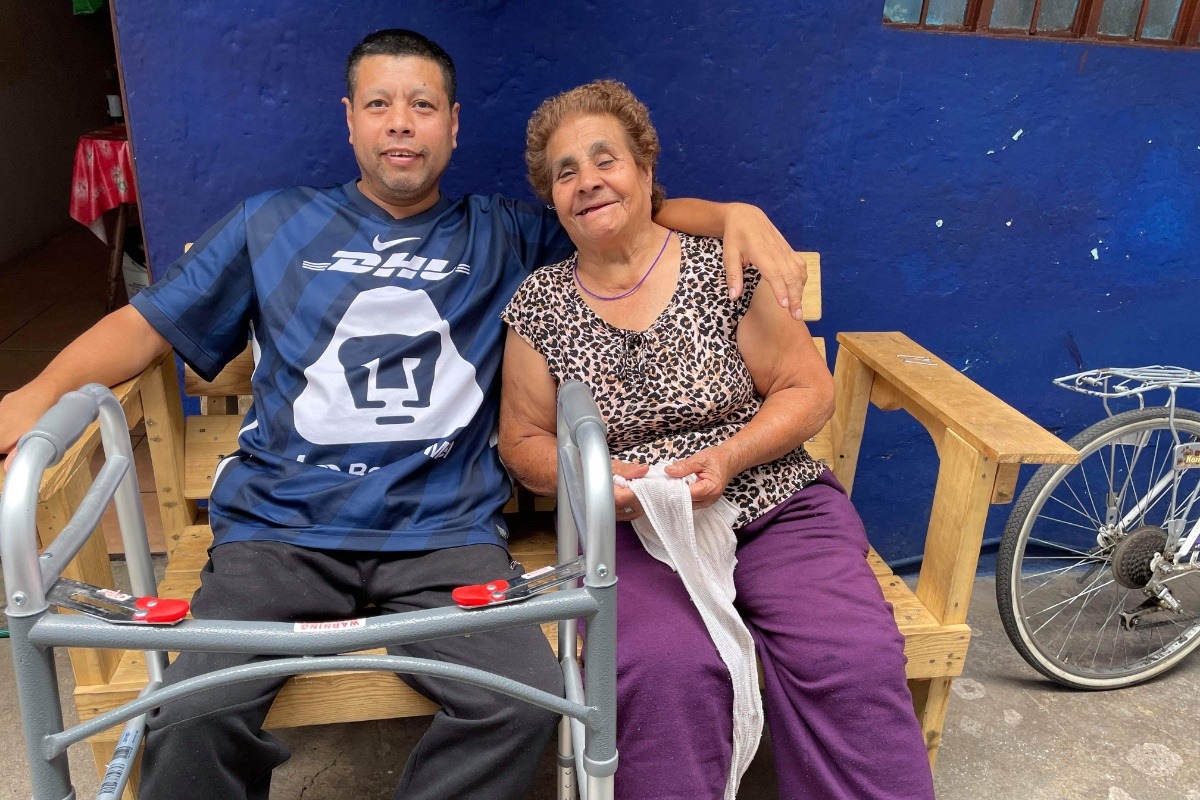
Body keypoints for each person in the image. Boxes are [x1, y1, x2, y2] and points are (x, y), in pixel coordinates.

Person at [0, 30, 809, 800]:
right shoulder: (272, 222)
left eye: (422, 105)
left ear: (452, 125)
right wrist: (39, 394)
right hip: (280, 530)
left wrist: (730, 216)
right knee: (191, 717)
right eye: (379, 104)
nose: (400, 123)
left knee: (520, 700)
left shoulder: (502, 234)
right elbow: (146, 325)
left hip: (443, 535)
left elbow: (616, 214)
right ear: (349, 120)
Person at [499, 79, 936, 800]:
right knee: (663, 667)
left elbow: (806, 388)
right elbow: (522, 440)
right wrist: (606, 480)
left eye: (605, 159)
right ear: (553, 198)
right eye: (565, 172)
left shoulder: (718, 263)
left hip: (773, 500)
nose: (587, 181)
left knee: (848, 655)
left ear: (645, 170)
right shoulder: (540, 303)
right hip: (633, 529)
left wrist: (730, 456)